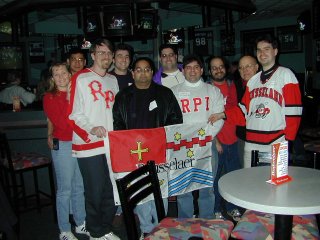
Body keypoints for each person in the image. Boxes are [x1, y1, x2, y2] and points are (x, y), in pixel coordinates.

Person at [112, 57, 183, 237]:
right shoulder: (123, 96)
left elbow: (176, 120)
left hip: (160, 152)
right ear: (133, 72)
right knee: (141, 191)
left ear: (152, 72)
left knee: (161, 189)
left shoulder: (165, 93)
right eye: (139, 69)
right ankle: (145, 229)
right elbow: (118, 124)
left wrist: (165, 140)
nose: (143, 73)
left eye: (147, 69)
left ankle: (162, 226)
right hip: (134, 153)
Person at [208, 34, 303, 168]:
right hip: (251, 144)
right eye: (259, 50)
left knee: (276, 185)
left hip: (276, 142)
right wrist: (221, 115)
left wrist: (288, 141)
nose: (262, 53)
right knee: (250, 184)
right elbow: (243, 111)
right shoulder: (253, 81)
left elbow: (294, 112)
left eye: (266, 49)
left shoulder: (286, 75)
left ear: (275, 51)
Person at [68, 38, 120, 240]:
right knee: (95, 191)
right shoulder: (80, 78)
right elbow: (73, 115)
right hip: (89, 145)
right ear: (92, 55)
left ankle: (105, 228)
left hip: (110, 144)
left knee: (109, 190)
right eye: (101, 53)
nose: (105, 57)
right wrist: (91, 129)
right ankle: (95, 232)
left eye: (108, 53)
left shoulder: (113, 80)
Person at [171, 54, 224, 220]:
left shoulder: (213, 91)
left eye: (196, 67)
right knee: (183, 187)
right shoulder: (173, 92)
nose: (192, 71)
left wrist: (206, 137)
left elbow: (218, 118)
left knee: (207, 188)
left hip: (206, 145)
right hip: (182, 147)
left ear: (201, 70)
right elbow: (170, 121)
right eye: (188, 67)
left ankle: (206, 220)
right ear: (183, 71)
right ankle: (186, 220)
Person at [43, 62, 88, 240]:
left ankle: (81, 223)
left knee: (79, 187)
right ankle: (64, 230)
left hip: (78, 143)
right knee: (65, 190)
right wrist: (69, 97)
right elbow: (62, 123)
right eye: (57, 74)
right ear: (52, 78)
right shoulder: (49, 97)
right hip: (63, 144)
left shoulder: (78, 93)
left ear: (70, 74)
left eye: (64, 73)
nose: (61, 77)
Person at [208, 56, 242, 221]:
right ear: (209, 71)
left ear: (226, 68)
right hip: (216, 142)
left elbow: (237, 110)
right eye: (214, 67)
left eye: (221, 66)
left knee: (233, 177)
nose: (218, 70)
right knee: (214, 178)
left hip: (233, 139)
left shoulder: (231, 85)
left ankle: (232, 207)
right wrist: (216, 141)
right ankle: (215, 209)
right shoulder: (206, 89)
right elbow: (204, 119)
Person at [236, 55, 259, 167]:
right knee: (246, 173)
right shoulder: (236, 86)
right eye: (241, 67)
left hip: (264, 138)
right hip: (243, 137)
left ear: (256, 67)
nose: (244, 70)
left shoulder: (267, 86)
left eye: (248, 66)